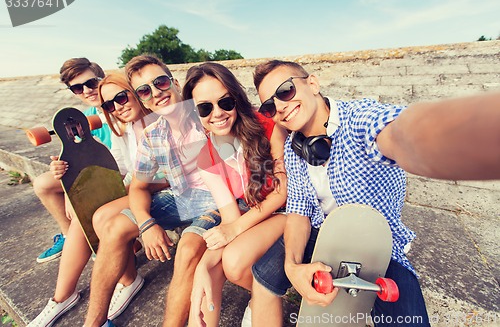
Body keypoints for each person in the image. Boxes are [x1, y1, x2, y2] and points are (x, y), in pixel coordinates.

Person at [249, 60, 500, 326]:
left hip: (374, 243)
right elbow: (298, 211)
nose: (279, 106)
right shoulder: (292, 148)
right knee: (263, 276)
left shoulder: (359, 118)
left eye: (285, 91)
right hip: (320, 232)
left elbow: (401, 133)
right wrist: (292, 267)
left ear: (312, 83)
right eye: (269, 106)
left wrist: (467, 132)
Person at [83, 55, 220, 327]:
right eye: (145, 90)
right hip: (182, 197)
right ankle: (93, 323)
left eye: (160, 82)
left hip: (220, 200)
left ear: (174, 82)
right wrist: (146, 224)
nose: (156, 93)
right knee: (113, 227)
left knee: (188, 248)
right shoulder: (153, 134)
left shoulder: (207, 113)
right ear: (142, 99)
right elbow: (139, 186)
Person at [27, 72, 157, 327]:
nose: (116, 106)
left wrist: (124, 186)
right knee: (86, 211)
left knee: (95, 213)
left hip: (154, 189)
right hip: (135, 185)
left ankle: (126, 281)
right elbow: (118, 166)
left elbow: (161, 174)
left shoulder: (154, 121)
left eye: (121, 98)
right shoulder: (120, 126)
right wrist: (71, 182)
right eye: (109, 104)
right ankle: (62, 297)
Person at [182, 62, 288, 327]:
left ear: (236, 100)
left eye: (225, 102)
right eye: (205, 108)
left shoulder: (267, 127)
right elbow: (231, 217)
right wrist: (203, 268)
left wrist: (234, 229)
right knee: (215, 269)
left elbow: (283, 192)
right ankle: (261, 297)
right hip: (256, 216)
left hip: (290, 210)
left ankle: (263, 297)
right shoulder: (205, 156)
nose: (217, 113)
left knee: (233, 259)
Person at [33, 58, 112, 263]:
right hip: (92, 172)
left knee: (79, 198)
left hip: (114, 173)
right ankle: (71, 238)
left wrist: (72, 190)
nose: (86, 91)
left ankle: (88, 242)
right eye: (77, 88)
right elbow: (80, 154)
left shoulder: (121, 106)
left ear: (102, 79)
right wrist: (63, 165)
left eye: (91, 83)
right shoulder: (84, 117)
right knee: (43, 183)